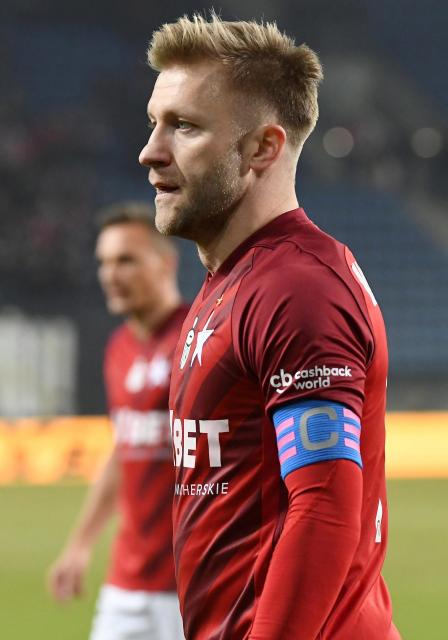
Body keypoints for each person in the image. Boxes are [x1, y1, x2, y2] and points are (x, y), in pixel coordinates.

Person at [138, 13, 401, 640]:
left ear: (263, 148)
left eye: (184, 126)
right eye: (154, 122)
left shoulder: (297, 288)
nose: (151, 150)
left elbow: (324, 505)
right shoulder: (234, 279)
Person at [48, 203, 187, 640]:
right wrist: (80, 544)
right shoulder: (119, 348)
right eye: (104, 262)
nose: (111, 275)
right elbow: (124, 452)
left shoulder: (199, 338)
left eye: (126, 260)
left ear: (166, 263)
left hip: (193, 583)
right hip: (126, 583)